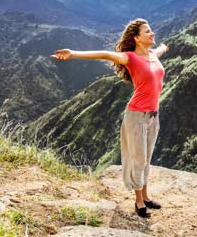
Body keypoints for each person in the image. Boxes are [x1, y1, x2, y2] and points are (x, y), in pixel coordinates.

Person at [51, 18, 168, 218]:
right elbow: (105, 54)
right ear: (137, 38)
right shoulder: (129, 58)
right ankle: (139, 202)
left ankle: (146, 196)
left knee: (147, 158)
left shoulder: (152, 54)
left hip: (153, 116)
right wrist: (73, 54)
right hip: (136, 116)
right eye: (148, 31)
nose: (152, 34)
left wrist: (165, 47)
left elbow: (160, 50)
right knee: (138, 160)